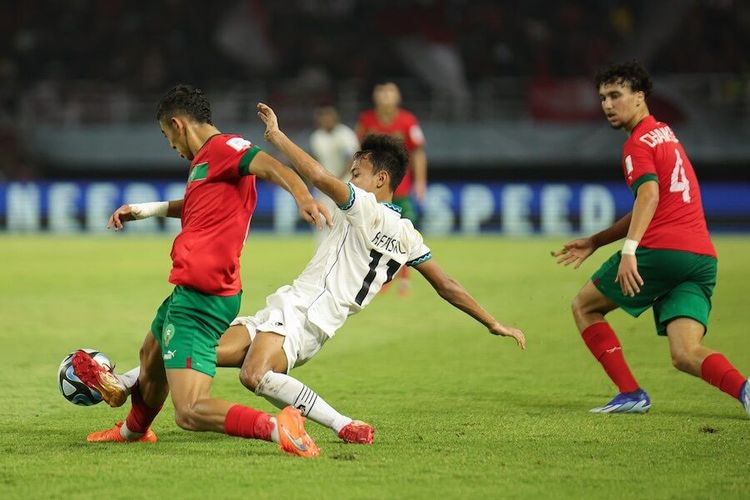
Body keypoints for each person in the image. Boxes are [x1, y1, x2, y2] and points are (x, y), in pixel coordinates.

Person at [75, 106, 526, 447]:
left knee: (253, 376)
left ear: (381, 179)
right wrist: (491, 321)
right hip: (292, 304)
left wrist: (277, 136)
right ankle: (118, 384)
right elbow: (446, 285)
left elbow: (313, 174)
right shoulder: (408, 235)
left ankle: (338, 423)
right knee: (193, 352)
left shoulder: (366, 209)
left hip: (310, 316)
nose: (350, 176)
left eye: (359, 172)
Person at [72, 84, 332, 458]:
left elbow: (272, 166)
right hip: (192, 289)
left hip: (202, 296)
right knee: (151, 352)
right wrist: (143, 210)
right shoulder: (205, 163)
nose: (170, 145)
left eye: (167, 135)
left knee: (190, 410)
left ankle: (278, 427)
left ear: (178, 124)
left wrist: (304, 197)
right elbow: (194, 204)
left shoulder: (226, 148)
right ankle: (134, 431)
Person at [552, 61, 749, 416]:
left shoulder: (636, 144)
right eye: (602, 98)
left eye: (616, 95)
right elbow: (654, 202)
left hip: (662, 251)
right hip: (701, 258)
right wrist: (597, 240)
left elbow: (650, 197)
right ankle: (745, 389)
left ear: (639, 97)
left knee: (585, 306)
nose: (608, 105)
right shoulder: (665, 134)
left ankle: (630, 393)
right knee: (685, 353)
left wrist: (629, 251)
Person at [356, 81, 427, 296]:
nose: (385, 97)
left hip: (401, 188)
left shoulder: (408, 121)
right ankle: (380, 279)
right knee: (375, 232)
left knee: (403, 232)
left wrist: (421, 182)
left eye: (389, 93)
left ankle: (404, 278)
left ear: (397, 97)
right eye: (381, 92)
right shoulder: (366, 120)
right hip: (373, 190)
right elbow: (358, 151)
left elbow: (418, 153)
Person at [309, 105, 359, 242]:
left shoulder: (345, 135)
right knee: (323, 219)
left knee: (346, 220)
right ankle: (322, 255)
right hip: (324, 186)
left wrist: (335, 180)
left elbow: (352, 160)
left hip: (345, 184)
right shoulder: (317, 137)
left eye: (329, 117)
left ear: (335, 118)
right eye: (323, 117)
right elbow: (315, 161)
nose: (326, 120)